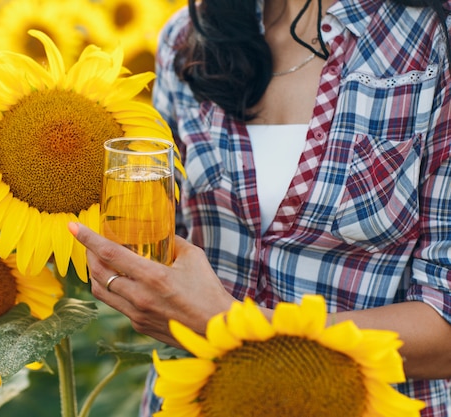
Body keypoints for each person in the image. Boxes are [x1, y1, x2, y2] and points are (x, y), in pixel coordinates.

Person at [68, 0, 451, 414]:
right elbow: (158, 236)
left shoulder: (432, 40)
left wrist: (231, 326)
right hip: (195, 400)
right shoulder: (188, 38)